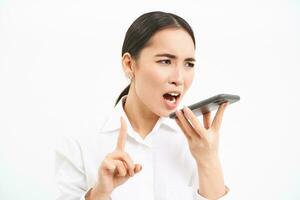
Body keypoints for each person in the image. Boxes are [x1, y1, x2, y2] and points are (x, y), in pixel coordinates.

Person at [55, 11, 230, 200]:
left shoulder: (202, 143)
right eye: (165, 61)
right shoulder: (81, 140)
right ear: (129, 64)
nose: (179, 78)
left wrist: (208, 161)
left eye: (189, 64)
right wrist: (100, 194)